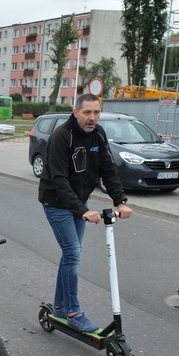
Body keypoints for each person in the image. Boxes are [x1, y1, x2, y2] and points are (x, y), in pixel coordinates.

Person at [37, 93, 133, 333]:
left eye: (96, 112)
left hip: (79, 203)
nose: (92, 118)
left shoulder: (98, 133)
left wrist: (120, 200)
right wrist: (82, 211)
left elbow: (108, 169)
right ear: (75, 111)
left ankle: (59, 306)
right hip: (56, 203)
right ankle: (73, 312)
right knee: (73, 254)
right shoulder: (61, 137)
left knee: (71, 255)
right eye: (87, 112)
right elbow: (58, 179)